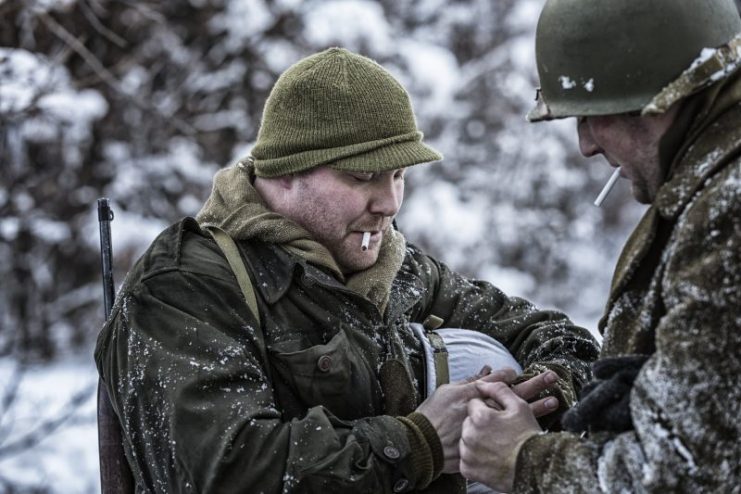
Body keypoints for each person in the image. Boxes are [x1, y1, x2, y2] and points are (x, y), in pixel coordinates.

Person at [94, 47, 599, 493]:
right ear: (288, 169)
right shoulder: (183, 287)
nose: (388, 202)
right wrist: (417, 444)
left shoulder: (395, 270)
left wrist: (535, 399)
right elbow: (221, 472)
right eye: (363, 177)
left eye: (399, 175)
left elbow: (558, 336)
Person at [459, 0, 741, 492]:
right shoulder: (706, 191)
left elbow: (685, 471)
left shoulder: (727, 215)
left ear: (660, 98)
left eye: (591, 116)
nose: (586, 144)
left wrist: (524, 462)